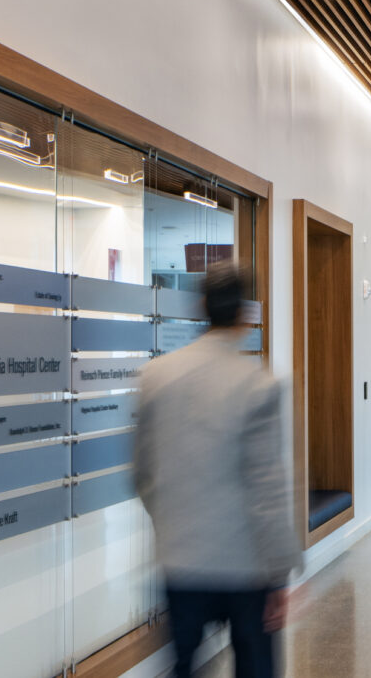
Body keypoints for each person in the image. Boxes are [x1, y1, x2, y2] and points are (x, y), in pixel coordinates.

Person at [134, 262, 299, 678]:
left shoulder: (155, 376)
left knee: (183, 667)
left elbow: (143, 474)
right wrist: (279, 574)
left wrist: (171, 524)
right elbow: (268, 487)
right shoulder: (257, 383)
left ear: (202, 307)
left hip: (180, 563)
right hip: (245, 569)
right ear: (245, 314)